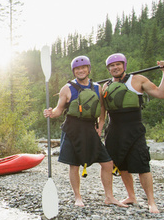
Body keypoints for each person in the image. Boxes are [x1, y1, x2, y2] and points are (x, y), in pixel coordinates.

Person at [43, 56, 126, 208]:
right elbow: (58, 110)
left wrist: (99, 128)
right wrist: (50, 112)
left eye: (83, 68)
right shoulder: (66, 89)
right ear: (74, 71)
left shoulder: (97, 88)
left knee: (107, 163)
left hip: (90, 128)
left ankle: (109, 196)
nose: (80, 71)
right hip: (73, 129)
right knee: (74, 165)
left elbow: (102, 110)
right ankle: (78, 197)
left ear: (88, 69)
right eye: (77, 69)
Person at [101, 53, 164, 213]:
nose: (115, 67)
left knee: (143, 166)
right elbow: (102, 111)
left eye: (118, 64)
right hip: (114, 130)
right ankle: (131, 196)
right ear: (108, 69)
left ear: (124, 65)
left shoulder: (138, 80)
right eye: (112, 65)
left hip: (134, 129)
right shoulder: (105, 86)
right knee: (121, 165)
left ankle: (152, 202)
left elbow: (161, 94)